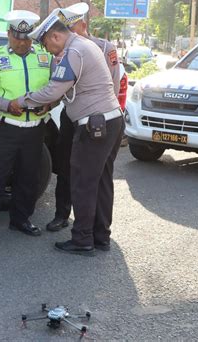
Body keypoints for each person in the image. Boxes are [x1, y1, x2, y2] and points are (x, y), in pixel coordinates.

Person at [15, 13, 125, 256]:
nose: (48, 50)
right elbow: (67, 91)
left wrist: (23, 101)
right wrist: (50, 105)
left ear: (55, 35)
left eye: (46, 44)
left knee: (83, 182)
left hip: (94, 125)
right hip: (111, 120)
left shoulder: (73, 51)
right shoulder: (85, 45)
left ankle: (83, 239)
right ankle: (100, 235)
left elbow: (56, 88)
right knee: (102, 181)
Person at [0, 10, 52, 245]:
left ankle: (21, 219)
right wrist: (6, 104)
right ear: (9, 34)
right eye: (18, 37)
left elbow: (56, 87)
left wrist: (50, 103)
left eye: (27, 38)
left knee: (29, 177)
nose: (22, 42)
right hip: (5, 129)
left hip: (35, 128)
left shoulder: (45, 57)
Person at [46, 2, 121, 233]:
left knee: (95, 176)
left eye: (70, 28)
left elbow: (114, 81)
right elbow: (57, 83)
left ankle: (95, 228)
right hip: (73, 115)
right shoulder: (61, 50)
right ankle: (62, 214)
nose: (65, 34)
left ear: (82, 25)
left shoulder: (103, 47)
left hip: (97, 118)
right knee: (67, 167)